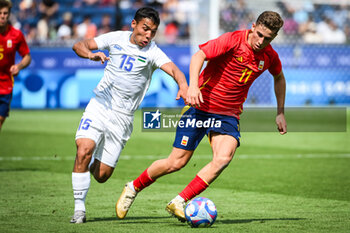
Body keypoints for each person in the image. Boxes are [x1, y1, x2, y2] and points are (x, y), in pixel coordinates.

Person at [116, 11, 287, 222]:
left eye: (267, 38)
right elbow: (199, 55)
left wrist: (280, 112)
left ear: (274, 38)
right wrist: (193, 87)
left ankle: (179, 201)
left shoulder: (269, 56)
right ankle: (133, 187)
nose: (261, 41)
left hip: (228, 115)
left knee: (223, 157)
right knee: (176, 162)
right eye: (259, 34)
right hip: (200, 106)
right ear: (253, 27)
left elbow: (279, 77)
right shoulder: (232, 40)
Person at [70, 7, 188, 224]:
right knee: (83, 149)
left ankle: (89, 159)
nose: (148, 35)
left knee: (102, 176)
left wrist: (183, 85)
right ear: (133, 24)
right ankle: (79, 209)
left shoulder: (153, 51)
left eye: (153, 31)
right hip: (100, 104)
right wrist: (90, 54)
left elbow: (175, 70)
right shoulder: (116, 37)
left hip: (123, 118)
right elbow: (79, 45)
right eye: (145, 29)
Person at [0, 0, 31, 131]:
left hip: (6, 85)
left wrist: (18, 66)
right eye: (0, 13)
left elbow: (27, 57)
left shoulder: (16, 35)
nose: (2, 16)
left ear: (9, 14)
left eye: (5, 13)